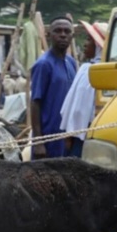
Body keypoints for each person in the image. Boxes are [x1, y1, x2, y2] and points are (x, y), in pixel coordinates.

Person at [30, 16, 77, 159]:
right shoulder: (43, 64)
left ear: (72, 36)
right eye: (58, 31)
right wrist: (38, 142)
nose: (63, 35)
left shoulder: (71, 63)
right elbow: (35, 102)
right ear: (49, 35)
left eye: (67, 31)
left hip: (66, 137)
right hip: (48, 138)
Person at [59, 20, 107, 157]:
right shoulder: (89, 68)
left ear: (98, 46)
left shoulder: (91, 71)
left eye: (89, 40)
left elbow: (78, 108)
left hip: (81, 136)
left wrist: (69, 133)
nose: (85, 44)